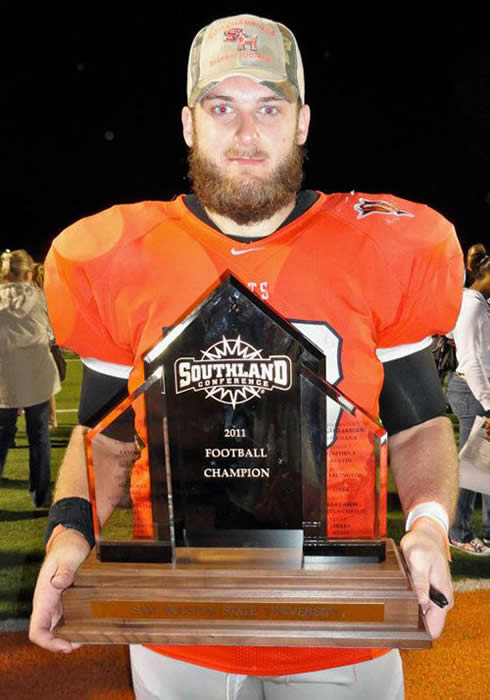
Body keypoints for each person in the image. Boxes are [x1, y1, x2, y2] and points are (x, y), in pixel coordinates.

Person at [29, 14, 464, 700]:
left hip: (341, 624)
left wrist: (431, 529)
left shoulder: (379, 245)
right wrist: (68, 533)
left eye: (268, 107)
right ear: (187, 123)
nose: (245, 132)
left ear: (302, 121)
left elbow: (418, 422)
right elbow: (104, 437)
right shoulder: (116, 255)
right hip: (179, 626)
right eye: (221, 107)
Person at [0, 249, 61, 506]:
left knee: (2, 436)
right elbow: (51, 334)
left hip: (4, 379)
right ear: (28, 272)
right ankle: (41, 495)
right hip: (37, 377)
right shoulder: (39, 297)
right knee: (39, 438)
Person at [448, 254, 490, 554]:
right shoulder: (472, 304)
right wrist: (487, 403)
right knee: (473, 468)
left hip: (477, 390)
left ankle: (485, 532)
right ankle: (459, 532)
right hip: (472, 392)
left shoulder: (476, 303)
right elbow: (472, 359)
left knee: (484, 468)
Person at [32, 262, 58, 429]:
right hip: (47, 342)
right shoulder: (50, 294)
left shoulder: (34, 296)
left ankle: (48, 419)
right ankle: (51, 418)